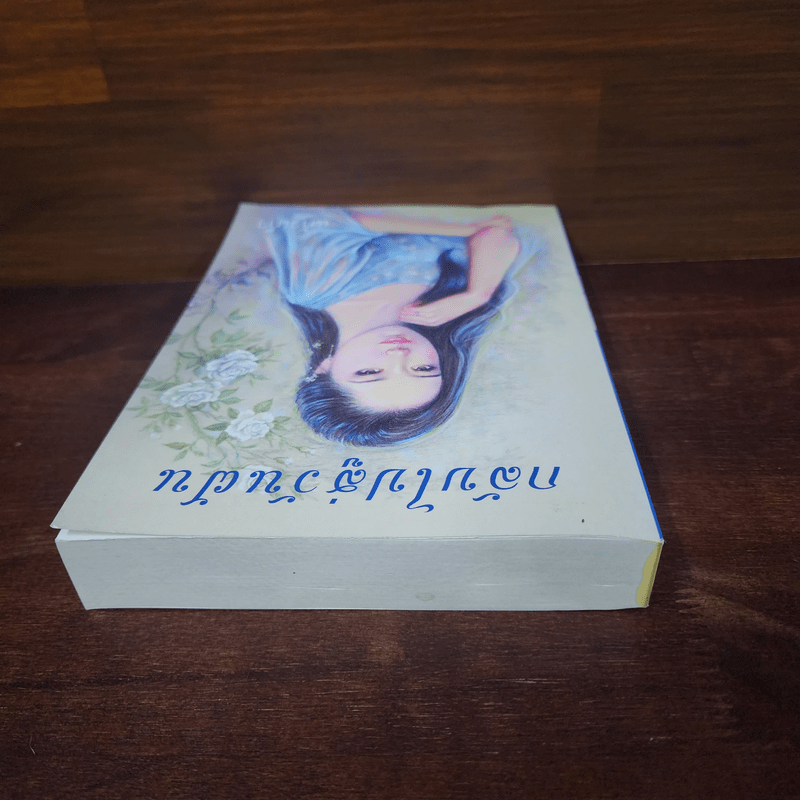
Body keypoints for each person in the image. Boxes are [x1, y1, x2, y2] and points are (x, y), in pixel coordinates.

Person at [259, 206, 533, 446]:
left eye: (369, 372)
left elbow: (328, 220)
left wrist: (469, 228)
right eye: (423, 369)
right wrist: (477, 294)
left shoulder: (314, 288)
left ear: (323, 368)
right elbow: (505, 235)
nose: (399, 355)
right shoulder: (455, 312)